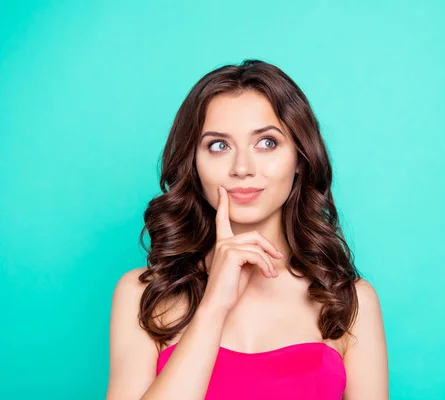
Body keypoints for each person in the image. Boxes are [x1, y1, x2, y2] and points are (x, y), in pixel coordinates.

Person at [106, 59, 389, 399]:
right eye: (219, 145)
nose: (242, 168)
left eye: (267, 143)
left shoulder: (350, 301)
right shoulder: (142, 295)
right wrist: (213, 308)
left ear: (300, 158)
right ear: (193, 163)